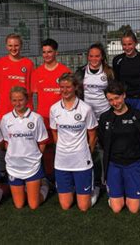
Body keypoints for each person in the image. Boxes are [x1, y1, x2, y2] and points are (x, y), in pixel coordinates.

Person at [98, 81, 140, 213]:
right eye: (110, 100)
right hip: (114, 165)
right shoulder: (105, 118)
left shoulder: (138, 116)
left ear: (124, 95)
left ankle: (134, 191)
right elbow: (103, 141)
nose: (115, 103)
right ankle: (117, 192)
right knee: (116, 208)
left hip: (133, 164)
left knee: (133, 209)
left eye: (117, 98)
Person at [50, 73, 99, 211]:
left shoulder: (85, 109)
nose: (64, 90)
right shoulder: (54, 109)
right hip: (62, 161)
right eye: (62, 87)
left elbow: (92, 133)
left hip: (81, 160)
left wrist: (87, 151)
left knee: (83, 207)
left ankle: (95, 190)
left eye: (68, 87)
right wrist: (62, 148)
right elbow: (54, 132)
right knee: (65, 206)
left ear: (75, 87)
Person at [0, 86, 50, 209]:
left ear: (27, 99)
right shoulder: (6, 119)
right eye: (14, 100)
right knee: (19, 204)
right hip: (14, 165)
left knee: (33, 205)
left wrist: (37, 157)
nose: (17, 103)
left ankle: (45, 186)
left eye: (21, 100)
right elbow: (6, 142)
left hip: (32, 164)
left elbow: (42, 141)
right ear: (10, 101)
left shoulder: (36, 118)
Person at [31, 38, 71, 181]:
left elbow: (70, 95)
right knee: (46, 149)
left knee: (62, 147)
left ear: (56, 53)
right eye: (44, 52)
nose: (47, 55)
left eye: (50, 52)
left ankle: (64, 175)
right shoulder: (37, 72)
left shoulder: (64, 71)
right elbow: (34, 96)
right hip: (44, 118)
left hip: (62, 118)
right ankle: (49, 177)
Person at [75, 42, 113, 187]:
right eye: (91, 56)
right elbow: (77, 93)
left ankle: (106, 179)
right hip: (86, 118)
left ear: (102, 56)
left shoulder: (109, 72)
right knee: (87, 147)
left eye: (97, 56)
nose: (94, 59)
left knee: (105, 147)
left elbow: (114, 92)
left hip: (105, 115)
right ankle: (91, 177)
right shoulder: (81, 72)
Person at [0, 33, 34, 120]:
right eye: (10, 45)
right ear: (6, 46)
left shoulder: (28, 63)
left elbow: (30, 88)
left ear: (21, 46)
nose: (13, 48)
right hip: (5, 108)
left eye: (16, 45)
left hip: (24, 108)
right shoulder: (0, 63)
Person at [112, 29, 140, 115]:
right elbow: (117, 79)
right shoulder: (117, 60)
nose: (127, 47)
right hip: (124, 99)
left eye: (130, 44)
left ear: (135, 43)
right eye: (124, 44)